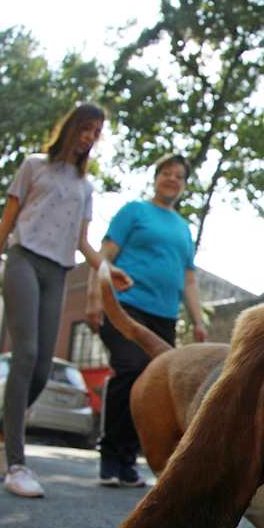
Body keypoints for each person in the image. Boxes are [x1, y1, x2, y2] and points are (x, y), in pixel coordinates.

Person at [0, 102, 132, 499]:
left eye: (97, 132)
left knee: (43, 368)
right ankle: (16, 463)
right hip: (24, 259)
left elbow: (81, 242)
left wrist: (105, 269)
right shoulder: (34, 166)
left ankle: (1, 422)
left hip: (58, 272)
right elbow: (6, 224)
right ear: (71, 126)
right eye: (86, 127)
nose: (90, 136)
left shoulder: (85, 187)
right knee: (25, 354)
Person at [85, 154, 206, 488]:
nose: (171, 179)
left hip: (164, 315)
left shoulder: (183, 228)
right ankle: (111, 454)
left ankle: (129, 460)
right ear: (155, 178)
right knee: (132, 368)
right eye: (166, 173)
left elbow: (189, 279)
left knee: (157, 384)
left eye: (178, 176)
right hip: (125, 307)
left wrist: (198, 320)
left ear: (183, 185)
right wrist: (95, 299)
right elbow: (105, 257)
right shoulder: (134, 212)